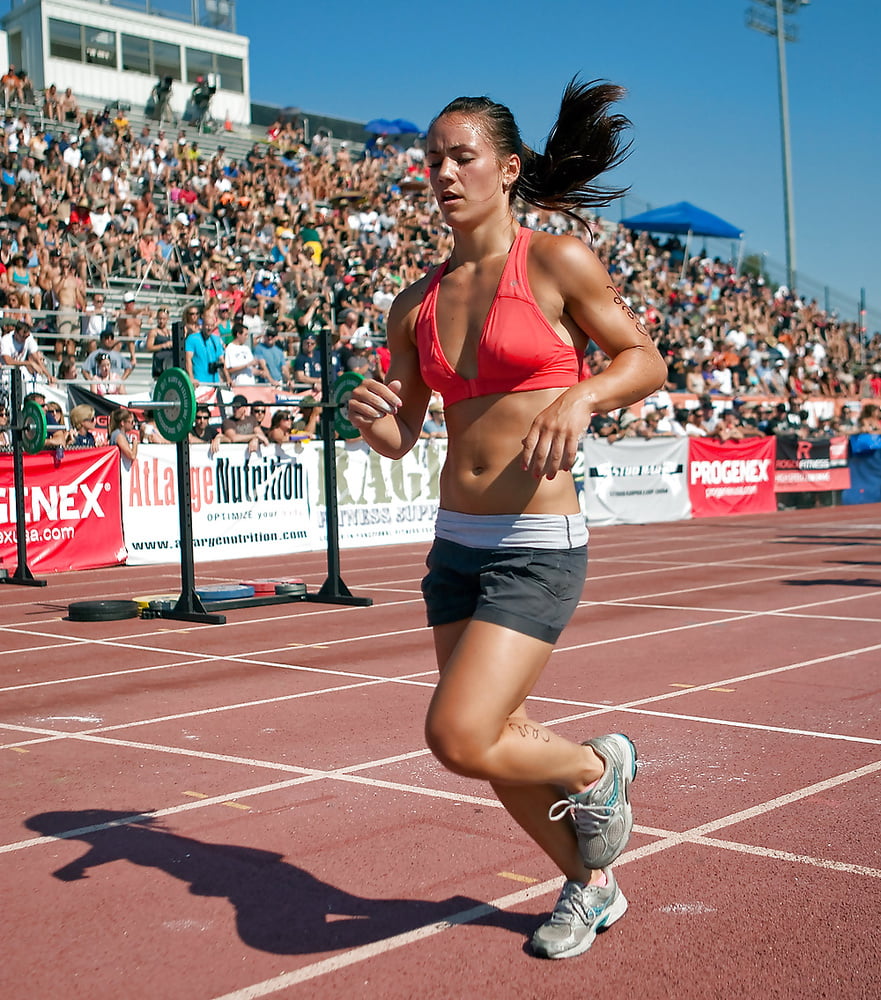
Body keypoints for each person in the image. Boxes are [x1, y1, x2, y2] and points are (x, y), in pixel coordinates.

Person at [348, 79, 666, 961]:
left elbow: (643, 360)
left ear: (507, 168)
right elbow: (405, 431)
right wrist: (380, 427)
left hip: (535, 545)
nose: (443, 172)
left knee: (457, 734)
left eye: (461, 155)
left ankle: (599, 768)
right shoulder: (413, 303)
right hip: (456, 546)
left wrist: (583, 397)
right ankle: (590, 884)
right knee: (494, 741)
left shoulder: (557, 261)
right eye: (431, 160)